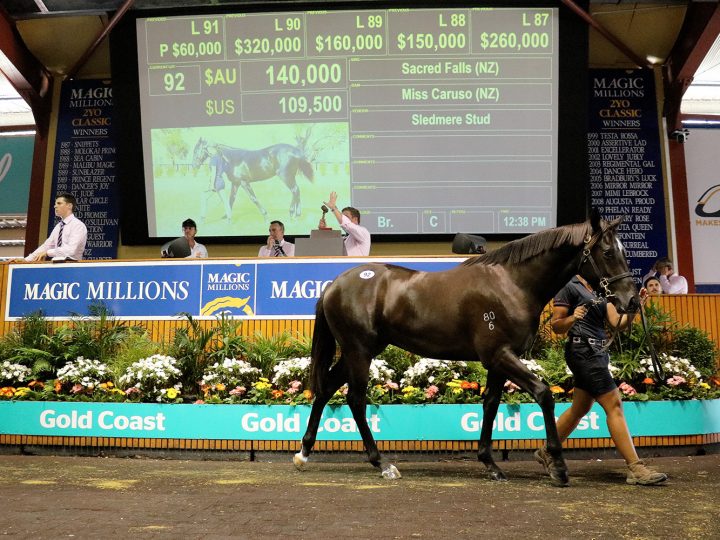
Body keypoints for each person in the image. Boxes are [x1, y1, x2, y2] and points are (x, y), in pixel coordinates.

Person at [534, 275, 667, 486]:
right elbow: (557, 325)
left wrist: (636, 307)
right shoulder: (568, 286)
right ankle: (636, 467)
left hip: (599, 352)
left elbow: (617, 323)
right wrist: (573, 318)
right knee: (614, 404)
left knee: (580, 408)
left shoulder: (600, 288)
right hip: (582, 350)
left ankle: (547, 450)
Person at [25, 192, 87, 261]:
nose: (55, 206)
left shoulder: (78, 225)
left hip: (73, 267)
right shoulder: (58, 226)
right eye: (55, 204)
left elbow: (71, 250)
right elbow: (47, 246)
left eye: (59, 203)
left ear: (69, 206)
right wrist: (26, 260)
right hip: (57, 266)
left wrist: (48, 253)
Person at [319, 191, 371, 256]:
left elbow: (348, 225)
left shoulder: (363, 232)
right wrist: (323, 230)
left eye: (346, 217)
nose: (343, 218)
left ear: (355, 219)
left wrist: (333, 208)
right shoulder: (346, 238)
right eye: (342, 216)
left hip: (358, 265)